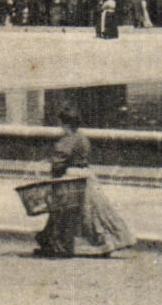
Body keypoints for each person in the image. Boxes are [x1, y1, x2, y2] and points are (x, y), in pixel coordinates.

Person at [33, 107, 136, 258]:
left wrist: (49, 169)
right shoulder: (82, 137)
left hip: (72, 178)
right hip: (87, 177)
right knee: (95, 213)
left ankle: (59, 246)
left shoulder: (68, 139)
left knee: (64, 213)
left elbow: (59, 161)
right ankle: (108, 242)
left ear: (64, 123)